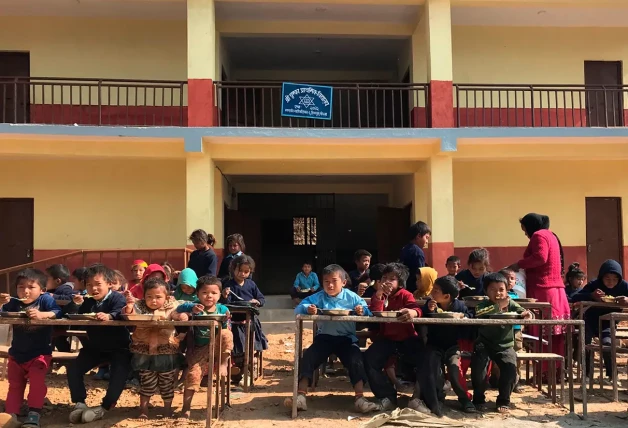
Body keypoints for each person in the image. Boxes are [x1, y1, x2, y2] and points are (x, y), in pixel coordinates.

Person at [287, 264, 379, 413]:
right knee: (308, 356)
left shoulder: (352, 296)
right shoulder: (318, 296)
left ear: (343, 282)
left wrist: (361, 310)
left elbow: (368, 313)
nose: (329, 285)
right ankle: (301, 396)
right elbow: (298, 309)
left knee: (356, 359)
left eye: (334, 281)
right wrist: (308, 309)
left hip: (347, 339)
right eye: (326, 281)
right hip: (324, 338)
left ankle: (360, 398)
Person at [65, 264, 131, 424]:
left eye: (97, 284)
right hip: (94, 347)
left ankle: (105, 407)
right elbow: (71, 317)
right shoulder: (86, 301)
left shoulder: (117, 297)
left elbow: (120, 312)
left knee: (119, 375)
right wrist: (75, 305)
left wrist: (109, 316)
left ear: (109, 283)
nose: (93, 288)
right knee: (73, 368)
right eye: (89, 285)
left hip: (119, 347)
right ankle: (79, 403)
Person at [507, 213, 570, 379]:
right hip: (556, 290)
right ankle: (556, 371)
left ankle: (543, 372)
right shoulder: (552, 236)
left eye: (525, 230)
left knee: (540, 334)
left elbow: (540, 257)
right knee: (555, 335)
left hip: (543, 290)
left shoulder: (538, 235)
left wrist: (518, 264)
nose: (526, 234)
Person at [0, 268, 61, 428]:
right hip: (17, 354)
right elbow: (2, 313)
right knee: (15, 385)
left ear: (42, 290)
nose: (25, 291)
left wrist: (43, 315)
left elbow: (57, 312)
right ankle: (11, 415)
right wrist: (0, 303)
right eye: (21, 287)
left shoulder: (45, 301)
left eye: (31, 287)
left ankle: (34, 414)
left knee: (37, 385)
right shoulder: (13, 303)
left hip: (39, 355)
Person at [121, 277, 184, 419]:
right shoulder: (139, 307)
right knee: (147, 383)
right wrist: (130, 305)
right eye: (149, 297)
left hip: (166, 351)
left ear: (166, 297)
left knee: (167, 383)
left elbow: (177, 315)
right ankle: (143, 410)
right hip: (145, 352)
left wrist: (181, 316)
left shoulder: (172, 306)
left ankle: (167, 410)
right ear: (143, 296)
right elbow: (128, 316)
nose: (153, 300)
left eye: (158, 297)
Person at [472, 273, 532, 413]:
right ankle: (478, 399)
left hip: (505, 345)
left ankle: (504, 400)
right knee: (479, 370)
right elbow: (479, 314)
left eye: (501, 289)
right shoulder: (483, 304)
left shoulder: (511, 303)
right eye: (493, 289)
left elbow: (523, 312)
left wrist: (527, 314)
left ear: (506, 290)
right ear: (486, 291)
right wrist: (498, 306)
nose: (498, 293)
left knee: (510, 370)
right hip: (484, 344)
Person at [365, 263, 421, 411]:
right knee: (370, 359)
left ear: (400, 282)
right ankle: (387, 396)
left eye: (392, 279)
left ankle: (419, 397)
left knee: (425, 360)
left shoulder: (405, 294)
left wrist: (412, 313)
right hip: (387, 338)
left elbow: (415, 308)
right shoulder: (379, 295)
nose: (387, 282)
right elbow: (374, 312)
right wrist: (378, 295)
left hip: (407, 338)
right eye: (384, 278)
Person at [177, 275, 234, 418]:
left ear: (220, 295)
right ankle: (186, 408)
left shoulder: (222, 308)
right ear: (197, 294)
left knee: (226, 333)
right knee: (192, 375)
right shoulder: (196, 306)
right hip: (200, 348)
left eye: (214, 293)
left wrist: (226, 320)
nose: (209, 296)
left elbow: (227, 328)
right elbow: (179, 307)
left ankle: (223, 363)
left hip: (218, 347)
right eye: (205, 293)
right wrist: (191, 308)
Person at [419, 275, 474, 415]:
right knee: (432, 369)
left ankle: (465, 399)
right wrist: (429, 311)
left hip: (453, 346)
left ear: (447, 296)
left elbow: (470, 318)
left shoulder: (460, 306)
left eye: (436, 290)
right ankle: (435, 399)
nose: (432, 292)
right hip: (434, 345)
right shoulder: (430, 304)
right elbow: (422, 318)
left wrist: (463, 317)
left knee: (455, 372)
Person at [572, 259, 628, 382]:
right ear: (601, 277)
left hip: (608, 322)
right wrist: (591, 295)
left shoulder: (624, 286)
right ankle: (587, 374)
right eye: (607, 279)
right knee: (585, 343)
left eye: (615, 279)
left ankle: (612, 375)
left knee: (608, 344)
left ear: (619, 279)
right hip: (591, 319)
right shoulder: (594, 285)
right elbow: (575, 297)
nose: (611, 282)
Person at [221, 255, 268, 380]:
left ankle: (249, 371)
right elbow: (225, 303)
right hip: (235, 323)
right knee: (237, 348)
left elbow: (262, 299)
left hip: (250, 323)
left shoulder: (251, 284)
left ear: (250, 272)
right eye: (240, 270)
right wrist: (224, 295)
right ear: (233, 269)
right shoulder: (228, 285)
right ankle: (237, 373)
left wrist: (257, 301)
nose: (242, 273)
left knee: (250, 347)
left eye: (246, 271)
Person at [496, 268, 524, 393]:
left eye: (512, 279)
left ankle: (516, 381)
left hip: (516, 329)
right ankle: (498, 379)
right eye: (507, 278)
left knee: (517, 354)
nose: (510, 281)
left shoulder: (516, 295)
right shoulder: (497, 296)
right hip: (501, 330)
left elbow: (521, 310)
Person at [400, 221, 431, 293]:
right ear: (418, 236)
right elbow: (421, 274)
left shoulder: (405, 248)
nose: (427, 241)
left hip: (404, 287)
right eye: (426, 237)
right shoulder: (418, 252)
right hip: (413, 289)